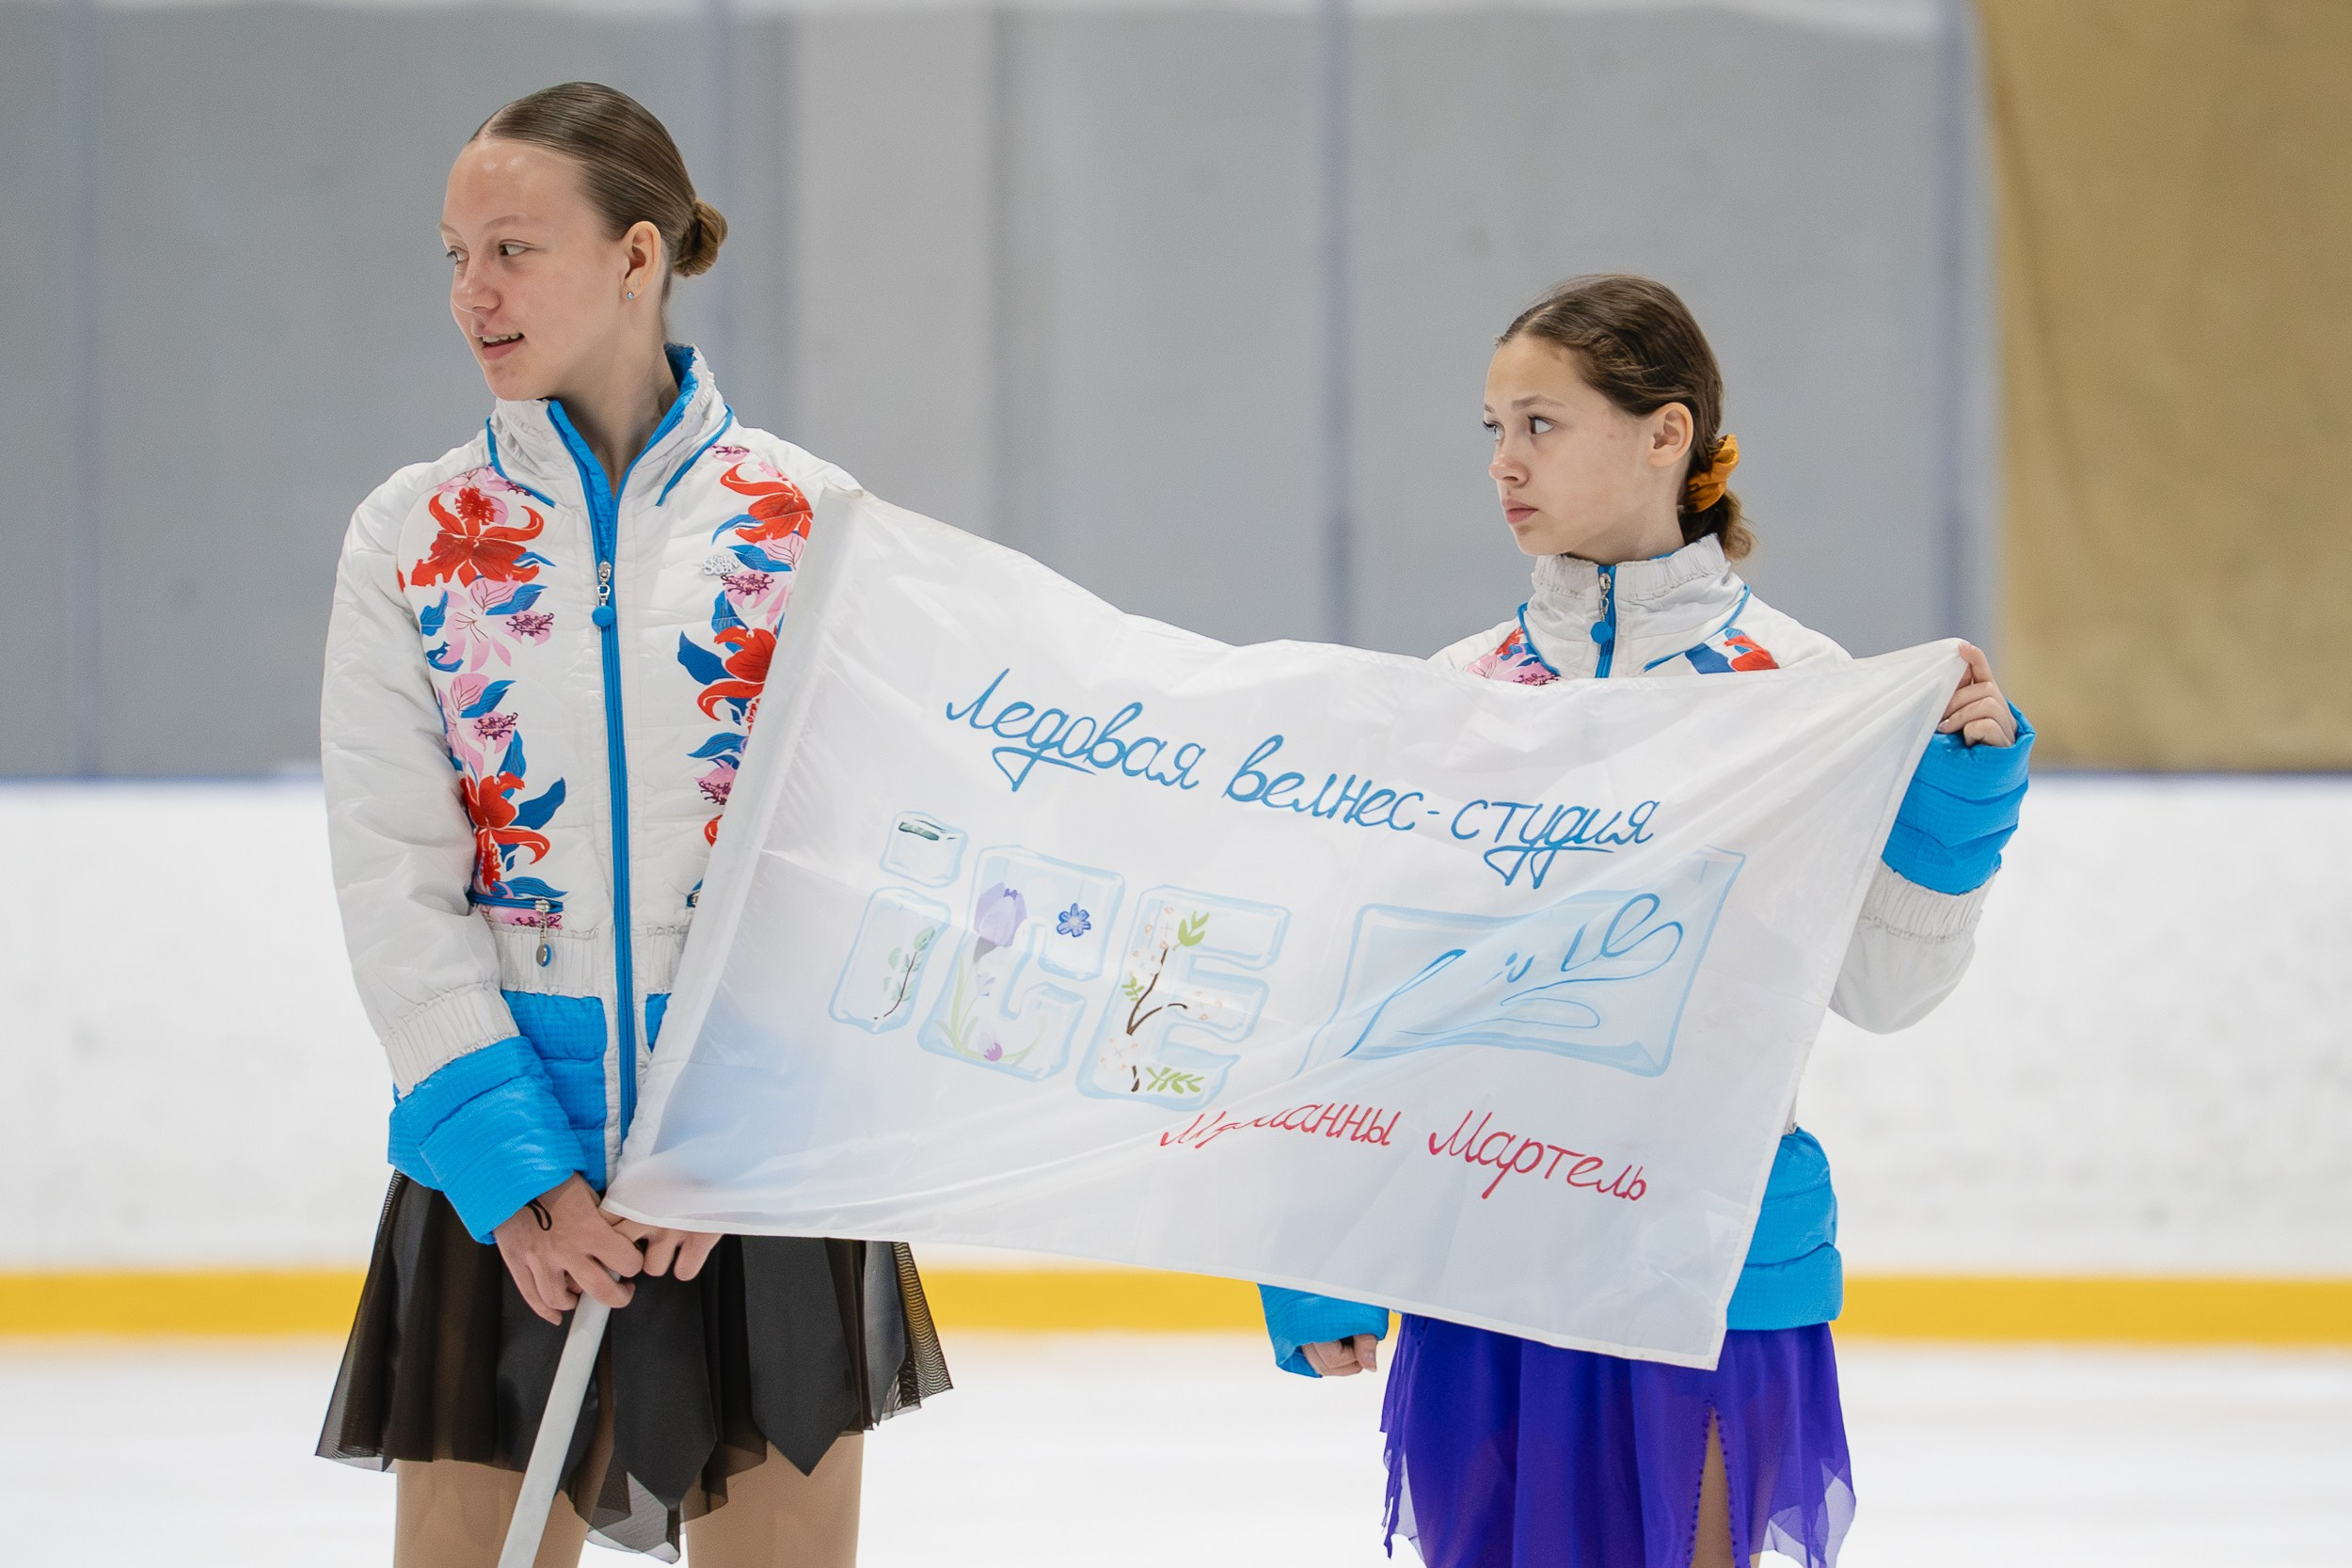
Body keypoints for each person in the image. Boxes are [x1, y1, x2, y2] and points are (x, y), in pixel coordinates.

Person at [1258, 275, 2031, 1568]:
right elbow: (1378, 1007)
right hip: (1483, 1259)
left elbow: (1886, 994)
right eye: (1493, 429)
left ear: (1665, 435)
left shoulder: (1804, 692)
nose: (1505, 463)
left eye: (1541, 425)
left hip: (1708, 1262)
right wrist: (1320, 1250)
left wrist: (1959, 800)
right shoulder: (1462, 696)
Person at [314, 82, 948, 1565]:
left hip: (761, 1178)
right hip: (507, 1195)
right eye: (455, 254)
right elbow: (393, 875)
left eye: (514, 249)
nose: (474, 292)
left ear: (637, 255)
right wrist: (517, 1174)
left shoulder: (813, 518)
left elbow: (868, 867)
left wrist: (736, 1139)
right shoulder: (411, 539)